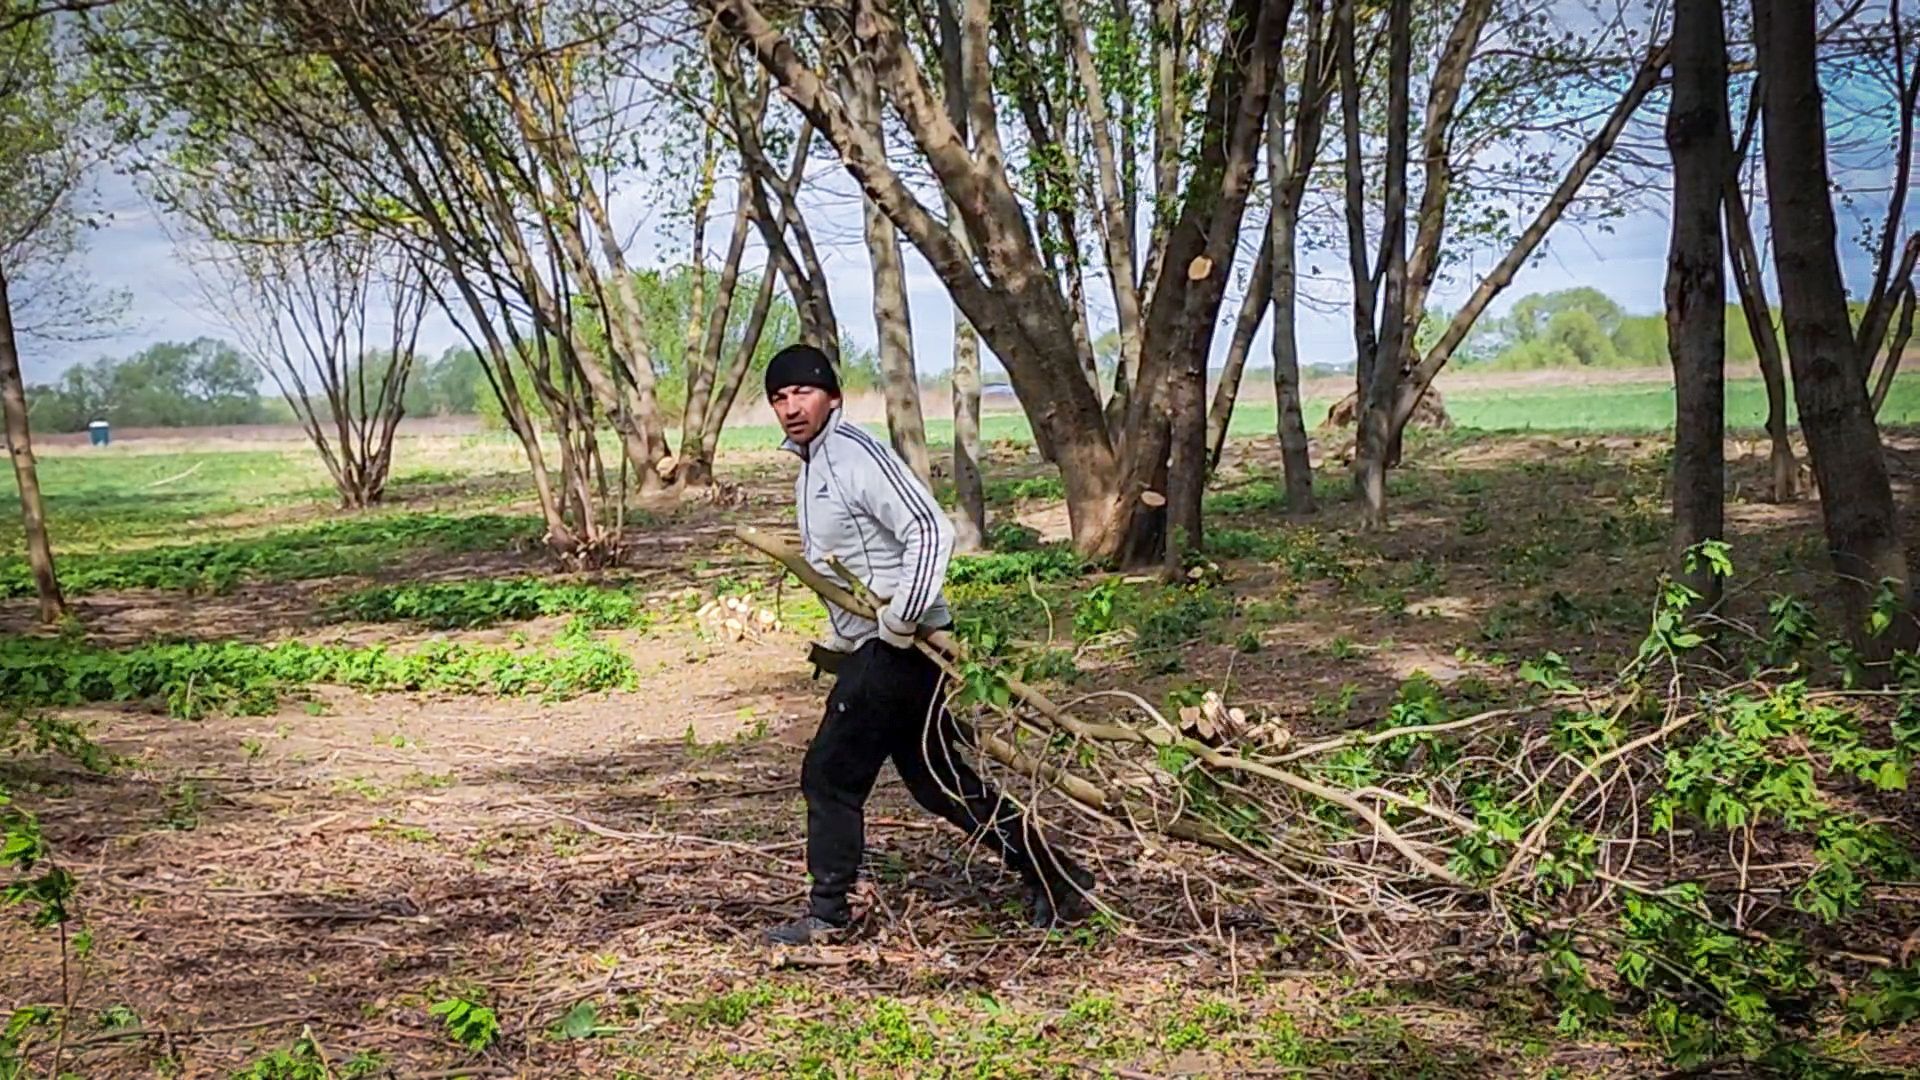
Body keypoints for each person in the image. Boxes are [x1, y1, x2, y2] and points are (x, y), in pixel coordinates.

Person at [761, 343, 1095, 946]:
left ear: (831, 396)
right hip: (876, 646)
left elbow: (927, 527)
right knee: (937, 780)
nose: (791, 406)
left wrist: (898, 621)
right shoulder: (813, 465)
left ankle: (827, 914)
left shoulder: (853, 453)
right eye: (780, 397)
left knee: (829, 774)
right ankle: (1058, 879)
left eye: (803, 392)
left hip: (901, 647)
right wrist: (841, 640)